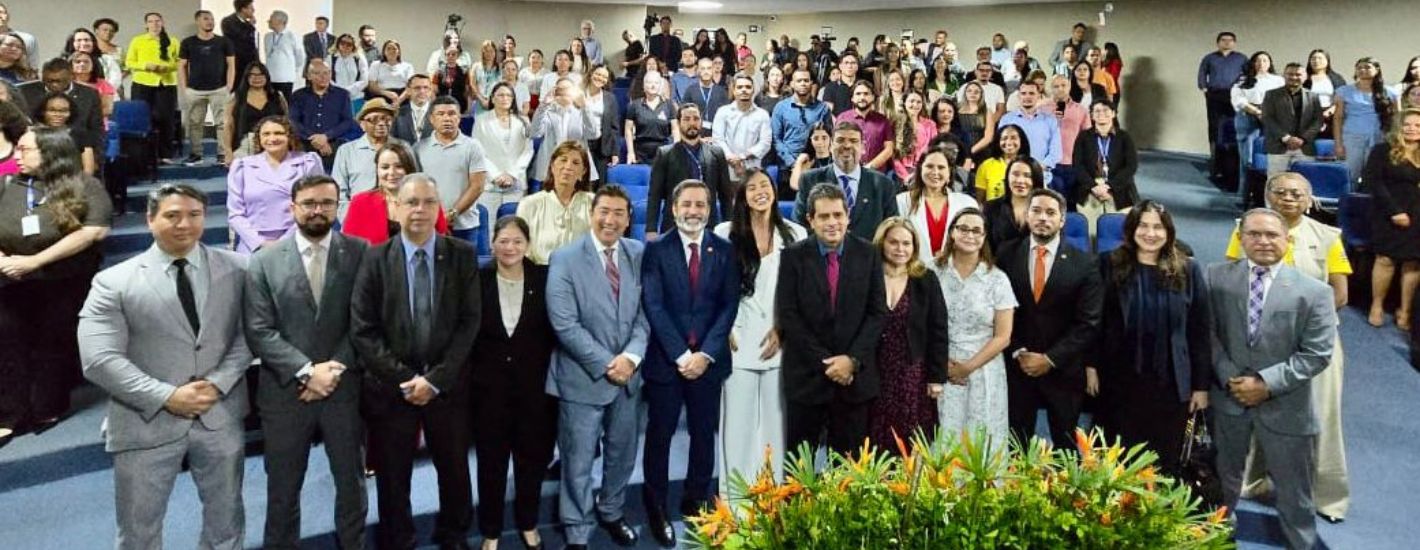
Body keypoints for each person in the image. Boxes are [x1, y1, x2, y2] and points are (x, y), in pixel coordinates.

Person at [78, 183, 252, 550]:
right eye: (172, 216)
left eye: (194, 215)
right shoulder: (113, 282)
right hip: (145, 421)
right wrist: (168, 396)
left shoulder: (239, 268)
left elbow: (248, 335)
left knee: (227, 524)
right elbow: (99, 359)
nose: (184, 224)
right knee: (139, 532)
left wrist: (218, 384)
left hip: (218, 415)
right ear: (150, 218)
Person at [353, 174, 482, 550]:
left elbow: (469, 322)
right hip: (393, 391)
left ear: (439, 206)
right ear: (396, 207)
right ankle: (399, 539)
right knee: (394, 478)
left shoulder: (461, 255)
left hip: (448, 387)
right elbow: (364, 330)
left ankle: (453, 534)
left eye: (428, 201)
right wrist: (408, 380)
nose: (420, 210)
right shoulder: (374, 258)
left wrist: (437, 379)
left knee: (454, 470)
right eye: (411, 202)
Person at [243, 175, 368, 550]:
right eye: (309, 203)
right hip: (285, 394)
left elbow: (366, 321)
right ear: (292, 207)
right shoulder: (264, 260)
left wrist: (332, 371)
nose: (318, 210)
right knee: (282, 490)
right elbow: (259, 330)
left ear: (337, 206)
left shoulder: (361, 251)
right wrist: (306, 372)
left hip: (344, 390)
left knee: (351, 484)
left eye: (326, 203)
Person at [1223, 172, 1352, 522]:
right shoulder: (1246, 228)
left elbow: (1339, 293)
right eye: (1279, 192)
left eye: (1297, 193)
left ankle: (1326, 498)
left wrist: (1304, 324)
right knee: (1255, 409)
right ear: (1268, 196)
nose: (1288, 198)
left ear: (1308, 200)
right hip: (1258, 338)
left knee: (1320, 418)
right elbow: (1232, 281)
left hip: (1313, 344)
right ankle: (1251, 482)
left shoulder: (1328, 237)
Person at [1208, 208, 1336, 550]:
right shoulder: (1215, 277)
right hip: (1227, 399)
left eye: (1271, 235)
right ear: (1241, 238)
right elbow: (1206, 335)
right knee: (1221, 485)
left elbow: (1318, 353)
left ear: (1287, 239)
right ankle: (1214, 539)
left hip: (1287, 405)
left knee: (1296, 495)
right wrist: (1231, 378)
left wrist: (1265, 384)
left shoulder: (1314, 292)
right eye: (1254, 234)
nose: (1263, 241)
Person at [544, 185, 648, 550]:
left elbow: (644, 315)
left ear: (628, 218)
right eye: (605, 211)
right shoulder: (565, 258)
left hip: (629, 378)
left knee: (622, 454)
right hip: (582, 378)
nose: (611, 219)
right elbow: (564, 324)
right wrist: (608, 364)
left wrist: (631, 358)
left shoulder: (638, 253)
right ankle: (576, 530)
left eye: (619, 212)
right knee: (577, 460)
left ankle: (612, 511)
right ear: (593, 212)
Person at [640, 179, 740, 545]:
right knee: (660, 436)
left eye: (701, 204)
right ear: (674, 206)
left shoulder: (725, 250)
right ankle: (656, 505)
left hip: (708, 362)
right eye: (687, 204)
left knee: (703, 436)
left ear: (710, 209)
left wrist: (705, 354)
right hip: (667, 362)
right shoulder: (655, 250)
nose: (694, 211)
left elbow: (729, 305)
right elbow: (653, 305)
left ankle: (696, 501)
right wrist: (682, 355)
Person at [0, 125, 111, 447]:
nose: (16, 156)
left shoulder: (85, 186)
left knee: (52, 342)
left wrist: (35, 261)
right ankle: (9, 412)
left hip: (63, 279)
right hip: (9, 279)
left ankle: (45, 406)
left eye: (25, 149)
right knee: (8, 342)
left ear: (49, 152)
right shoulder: (8, 183)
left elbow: (93, 231)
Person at [1092, 201, 1211, 475]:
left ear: (1168, 232)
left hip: (1170, 384)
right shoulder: (1108, 264)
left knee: (1163, 462)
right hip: (1120, 380)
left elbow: (1200, 330)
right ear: (1132, 229)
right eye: (1143, 225)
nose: (1150, 233)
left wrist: (1201, 387)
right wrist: (1091, 366)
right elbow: (1096, 322)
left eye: (1158, 227)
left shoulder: (1188, 270)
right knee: (1114, 459)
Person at [778, 183, 886, 459]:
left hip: (854, 381)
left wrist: (851, 361)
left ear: (848, 216)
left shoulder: (869, 253)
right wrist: (827, 363)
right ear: (810, 220)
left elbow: (877, 314)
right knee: (798, 470)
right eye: (824, 216)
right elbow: (789, 315)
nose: (832, 223)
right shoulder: (793, 256)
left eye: (838, 215)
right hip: (808, 379)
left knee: (849, 472)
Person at [713, 168, 805, 490]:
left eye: (764, 185)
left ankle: (773, 496)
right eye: (751, 188)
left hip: (779, 341)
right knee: (737, 426)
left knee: (776, 426)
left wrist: (783, 329)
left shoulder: (796, 234)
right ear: (743, 196)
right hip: (736, 339)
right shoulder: (724, 233)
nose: (759, 192)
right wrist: (722, 329)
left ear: (774, 191)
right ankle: (735, 502)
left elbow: (800, 294)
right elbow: (713, 290)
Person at [471, 216, 558, 550]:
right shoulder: (476, 279)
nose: (510, 248)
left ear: (528, 245)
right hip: (487, 392)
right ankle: (491, 531)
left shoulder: (543, 277)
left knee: (531, 462)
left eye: (517, 241)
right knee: (491, 464)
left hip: (534, 392)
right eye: (503, 241)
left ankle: (528, 523)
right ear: (492, 243)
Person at [996, 188, 1103, 448]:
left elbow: (1088, 323)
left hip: (1064, 370)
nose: (1043, 217)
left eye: (1050, 212)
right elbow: (996, 310)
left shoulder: (1085, 263)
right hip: (1017, 367)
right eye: (1037, 211)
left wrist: (1050, 359)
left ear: (1062, 220)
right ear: (1027, 215)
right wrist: (1019, 351)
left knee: (1065, 450)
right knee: (1014, 447)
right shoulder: (1005, 254)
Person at [934, 206, 1015, 445]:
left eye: (976, 231)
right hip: (940, 366)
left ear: (984, 237)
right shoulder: (931, 271)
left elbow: (1003, 336)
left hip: (983, 370)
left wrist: (967, 367)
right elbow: (920, 324)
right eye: (963, 229)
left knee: (981, 440)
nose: (970, 235)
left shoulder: (997, 278)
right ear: (952, 233)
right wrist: (941, 364)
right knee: (943, 438)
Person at [867, 217, 949, 449]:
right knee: (874, 436)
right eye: (893, 242)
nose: (900, 249)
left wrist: (936, 377)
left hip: (912, 371)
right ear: (882, 243)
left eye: (906, 243)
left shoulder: (925, 278)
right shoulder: (866, 276)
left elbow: (938, 329)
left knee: (910, 438)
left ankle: (909, 485)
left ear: (914, 247)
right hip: (874, 369)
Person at [228, 116, 325, 254]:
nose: (272, 138)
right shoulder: (242, 166)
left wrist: (284, 242)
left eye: (278, 133)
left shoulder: (308, 163)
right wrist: (259, 243)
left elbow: (314, 207)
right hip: (252, 246)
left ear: (289, 136)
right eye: (266, 134)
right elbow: (235, 214)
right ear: (259, 138)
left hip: (299, 240)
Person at [795, 120, 900, 239]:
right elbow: (800, 227)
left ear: (863, 147)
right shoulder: (809, 180)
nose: (847, 145)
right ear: (830, 146)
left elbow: (892, 230)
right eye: (840, 140)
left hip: (869, 255)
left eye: (853, 141)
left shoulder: (883, 184)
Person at [1364, 108, 1420, 329]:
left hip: (1418, 215)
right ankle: (1376, 305)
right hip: (1388, 211)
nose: (1412, 129)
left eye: (1417, 125)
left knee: (1413, 263)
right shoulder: (1382, 150)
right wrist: (1394, 211)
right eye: (1407, 124)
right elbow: (1373, 183)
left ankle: (1404, 311)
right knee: (1385, 259)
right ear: (1399, 126)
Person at [648, 104, 731, 238]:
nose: (692, 123)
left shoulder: (717, 153)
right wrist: (651, 229)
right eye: (686, 119)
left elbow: (725, 196)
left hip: (708, 224)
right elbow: (655, 195)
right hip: (673, 224)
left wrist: (729, 225)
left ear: (701, 122)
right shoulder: (665, 154)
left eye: (696, 119)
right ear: (679, 122)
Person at [343, 142, 451, 245]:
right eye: (385, 167)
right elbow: (349, 248)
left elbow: (441, 243)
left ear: (409, 169)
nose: (391, 173)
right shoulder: (360, 203)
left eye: (399, 166)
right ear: (377, 170)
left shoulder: (428, 200)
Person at [414, 95, 488, 243]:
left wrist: (453, 213)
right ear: (431, 119)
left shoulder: (473, 147)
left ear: (459, 118)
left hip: (465, 226)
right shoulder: (418, 148)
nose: (447, 118)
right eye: (440, 114)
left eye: (452, 114)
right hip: (429, 224)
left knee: (464, 266)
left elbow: (477, 186)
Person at [896, 147, 980, 262]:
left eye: (941, 167)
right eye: (929, 166)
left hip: (954, 271)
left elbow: (975, 242)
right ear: (920, 170)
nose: (935, 172)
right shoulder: (902, 201)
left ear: (949, 172)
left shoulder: (967, 203)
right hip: (914, 272)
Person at [518, 141, 595, 264]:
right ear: (552, 166)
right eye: (563, 160)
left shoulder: (594, 204)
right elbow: (520, 250)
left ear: (583, 171)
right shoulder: (529, 204)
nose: (568, 167)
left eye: (575, 163)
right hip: (540, 274)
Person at [17, 60, 103, 168]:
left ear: (71, 76)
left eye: (59, 81)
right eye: (49, 81)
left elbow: (96, 130)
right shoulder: (24, 92)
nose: (54, 85)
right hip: (35, 151)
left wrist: (96, 159)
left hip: (77, 151)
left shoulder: (89, 95)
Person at [175, 10, 235, 166]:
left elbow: (231, 65)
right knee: (194, 123)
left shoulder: (224, 42)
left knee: (223, 123)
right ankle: (196, 154)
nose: (210, 22)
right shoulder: (188, 42)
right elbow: (181, 66)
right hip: (195, 90)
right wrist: (184, 87)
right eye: (206, 19)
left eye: (212, 19)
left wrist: (229, 85)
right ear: (198, 22)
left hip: (219, 89)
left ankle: (222, 153)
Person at [1073, 99, 1139, 233]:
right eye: (1097, 111)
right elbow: (1077, 165)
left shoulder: (1124, 137)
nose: (1101, 114)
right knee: (1090, 232)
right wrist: (1093, 186)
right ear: (1091, 115)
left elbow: (1131, 166)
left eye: (1105, 110)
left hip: (1118, 188)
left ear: (1113, 113)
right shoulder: (1083, 137)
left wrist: (1109, 186)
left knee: (1119, 233)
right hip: (1090, 188)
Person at [1334, 57, 1399, 185]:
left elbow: (1397, 118)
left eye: (1367, 67)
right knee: (1350, 174)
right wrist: (1338, 144)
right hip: (1352, 137)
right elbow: (1338, 118)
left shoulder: (1390, 92)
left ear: (1377, 69)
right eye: (1359, 68)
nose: (1363, 70)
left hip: (1380, 137)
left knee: (1375, 175)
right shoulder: (1344, 91)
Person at [126, 12, 181, 163]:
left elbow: (180, 62)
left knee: (166, 119)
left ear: (162, 23)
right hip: (143, 83)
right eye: (151, 21)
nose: (155, 24)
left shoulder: (173, 41)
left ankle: (165, 154)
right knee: (143, 117)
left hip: (166, 84)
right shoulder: (138, 41)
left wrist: (167, 67)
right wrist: (145, 65)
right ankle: (144, 154)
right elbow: (129, 62)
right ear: (146, 25)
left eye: (157, 21)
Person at [474, 82, 534, 216]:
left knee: (513, 225)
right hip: (490, 183)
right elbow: (478, 150)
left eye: (508, 95)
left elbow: (528, 151)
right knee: (489, 228)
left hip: (516, 182)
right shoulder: (481, 120)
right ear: (492, 98)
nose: (505, 98)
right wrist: (496, 175)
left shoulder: (523, 120)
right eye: (500, 95)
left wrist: (512, 174)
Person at [332, 98, 402, 209]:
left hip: (396, 218)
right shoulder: (346, 151)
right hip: (358, 218)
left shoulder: (403, 148)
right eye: (374, 119)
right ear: (362, 125)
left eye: (386, 119)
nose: (381, 123)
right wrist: (350, 220)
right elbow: (338, 192)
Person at [771, 69, 832, 190]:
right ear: (792, 84)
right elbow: (776, 139)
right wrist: (793, 163)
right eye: (799, 81)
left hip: (815, 167)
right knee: (787, 207)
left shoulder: (822, 108)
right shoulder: (781, 107)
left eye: (806, 80)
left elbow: (828, 138)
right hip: (787, 168)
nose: (803, 83)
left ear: (811, 83)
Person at [1197, 32, 1247, 181]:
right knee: (1214, 127)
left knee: (1232, 128)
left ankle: (1231, 164)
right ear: (1218, 42)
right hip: (1215, 95)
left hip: (1234, 95)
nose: (1227, 43)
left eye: (1230, 40)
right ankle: (1215, 164)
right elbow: (1201, 74)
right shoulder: (1210, 58)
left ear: (1234, 43)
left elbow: (1248, 75)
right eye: (1223, 40)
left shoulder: (1241, 58)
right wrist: (1204, 88)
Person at [1231, 51, 1283, 193]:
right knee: (1248, 157)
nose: (1261, 64)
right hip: (1249, 116)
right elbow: (1238, 100)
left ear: (1270, 63)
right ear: (1252, 63)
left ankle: (1267, 192)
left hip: (1272, 118)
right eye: (1258, 61)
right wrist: (1257, 112)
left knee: (1270, 155)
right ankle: (1245, 192)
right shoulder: (1243, 80)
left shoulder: (1278, 80)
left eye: (1265, 61)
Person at [289, 59, 354, 170]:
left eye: (326, 72)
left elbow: (347, 121)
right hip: (305, 145)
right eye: (317, 73)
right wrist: (316, 139)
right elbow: (293, 121)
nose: (323, 76)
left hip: (334, 145)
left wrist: (326, 137)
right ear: (309, 76)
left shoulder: (342, 95)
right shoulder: (298, 95)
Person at [1261, 63, 1324, 177]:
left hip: (1305, 147)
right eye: (1290, 74)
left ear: (1305, 77)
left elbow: (1318, 120)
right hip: (1278, 146)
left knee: (1306, 182)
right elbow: (1267, 118)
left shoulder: (1313, 96)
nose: (1294, 77)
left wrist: (1303, 139)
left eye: (1298, 74)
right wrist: (1286, 138)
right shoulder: (1271, 95)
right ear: (1284, 76)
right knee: (1275, 182)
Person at [531, 78, 598, 183]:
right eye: (560, 90)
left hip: (576, 165)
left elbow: (594, 134)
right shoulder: (547, 112)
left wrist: (584, 106)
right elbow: (535, 133)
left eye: (567, 89)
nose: (564, 92)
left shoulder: (582, 112)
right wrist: (543, 105)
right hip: (551, 165)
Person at [997, 81, 1062, 187]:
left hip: (1042, 178)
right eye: (1024, 93)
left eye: (1031, 93)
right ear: (1018, 96)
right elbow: (1000, 147)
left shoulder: (1050, 121)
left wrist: (1036, 167)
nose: (1027, 97)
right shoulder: (1006, 119)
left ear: (1039, 96)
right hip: (1012, 177)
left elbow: (1056, 152)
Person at [223, 60, 287, 161]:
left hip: (274, 143)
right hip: (245, 145)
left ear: (266, 77)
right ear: (247, 77)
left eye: (261, 75)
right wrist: (228, 152)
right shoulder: (236, 97)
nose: (257, 78)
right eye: (253, 75)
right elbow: (228, 126)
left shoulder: (277, 97)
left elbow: (286, 123)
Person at [984, 157, 1044, 252]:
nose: (1020, 180)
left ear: (1036, 179)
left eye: (1027, 176)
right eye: (1015, 174)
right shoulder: (991, 207)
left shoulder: (1045, 211)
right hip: (997, 264)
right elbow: (985, 246)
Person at [1045, 75, 1091, 195]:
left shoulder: (1081, 110)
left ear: (1069, 87)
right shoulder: (1041, 109)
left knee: (1071, 203)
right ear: (1051, 89)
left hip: (1073, 162)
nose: (1060, 89)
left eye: (1063, 85)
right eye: (1056, 86)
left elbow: (1088, 138)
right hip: (1050, 163)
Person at [834, 80, 895, 171]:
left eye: (866, 94)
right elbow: (837, 146)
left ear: (873, 97)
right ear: (852, 98)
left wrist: (870, 167)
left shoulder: (882, 120)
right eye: (858, 94)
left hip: (876, 174)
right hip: (848, 171)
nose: (862, 97)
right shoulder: (843, 118)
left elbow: (889, 149)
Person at [32, 93, 97, 175]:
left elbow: (88, 170)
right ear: (43, 112)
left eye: (63, 111)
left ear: (70, 112)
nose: (58, 114)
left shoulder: (81, 135)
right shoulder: (32, 135)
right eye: (52, 110)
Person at [623, 74, 677, 165]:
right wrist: (630, 152)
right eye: (649, 82)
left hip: (663, 150)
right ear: (644, 86)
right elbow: (628, 129)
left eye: (656, 83)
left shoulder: (669, 105)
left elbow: (675, 129)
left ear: (660, 86)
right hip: (640, 151)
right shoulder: (635, 105)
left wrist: (676, 150)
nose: (653, 85)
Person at [584, 65, 621, 187]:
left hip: (602, 145)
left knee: (599, 184)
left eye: (604, 77)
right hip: (582, 142)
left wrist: (615, 152)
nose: (600, 78)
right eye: (598, 74)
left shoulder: (610, 98)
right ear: (591, 74)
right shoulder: (580, 93)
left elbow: (614, 127)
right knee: (583, 182)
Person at [975, 124, 1031, 202]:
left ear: (1021, 141)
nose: (1008, 142)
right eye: (1004, 138)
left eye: (1013, 138)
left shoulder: (1030, 165)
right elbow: (979, 201)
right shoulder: (986, 166)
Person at [262, 10, 304, 102]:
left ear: (280, 22)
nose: (268, 21)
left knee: (285, 104)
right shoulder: (267, 36)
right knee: (271, 102)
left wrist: (293, 69)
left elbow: (300, 56)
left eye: (271, 19)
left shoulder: (292, 36)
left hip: (286, 78)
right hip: (270, 77)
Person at [680, 58, 729, 134]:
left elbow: (727, 115)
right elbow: (683, 113)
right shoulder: (690, 90)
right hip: (695, 133)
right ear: (698, 71)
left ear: (713, 70)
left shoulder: (721, 91)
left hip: (717, 134)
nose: (706, 72)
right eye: (703, 68)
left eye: (709, 68)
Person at [957, 80, 999, 164]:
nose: (973, 93)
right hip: (960, 151)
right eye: (969, 91)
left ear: (981, 94)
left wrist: (970, 152)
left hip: (982, 152)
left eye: (976, 92)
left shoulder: (987, 111)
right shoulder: (957, 110)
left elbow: (988, 138)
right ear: (965, 93)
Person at [221, 1, 259, 90]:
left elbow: (252, 45)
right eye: (251, 7)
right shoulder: (228, 21)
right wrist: (251, 25)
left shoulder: (246, 23)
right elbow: (240, 36)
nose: (253, 10)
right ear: (243, 9)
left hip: (249, 65)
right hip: (236, 65)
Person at [392, 73, 434, 144]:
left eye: (426, 87)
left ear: (430, 91)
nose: (422, 91)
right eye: (417, 88)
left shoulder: (439, 113)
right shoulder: (397, 114)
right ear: (408, 91)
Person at [92, 18, 127, 94]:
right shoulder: (89, 48)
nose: (108, 33)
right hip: (94, 86)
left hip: (115, 88)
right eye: (105, 30)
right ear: (96, 31)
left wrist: (116, 80)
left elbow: (126, 68)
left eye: (112, 31)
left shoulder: (119, 50)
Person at [433, 45, 473, 112]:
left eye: (453, 54)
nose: (450, 56)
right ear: (445, 56)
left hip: (459, 105)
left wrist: (468, 109)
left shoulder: (464, 72)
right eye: (448, 54)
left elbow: (467, 92)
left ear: (457, 56)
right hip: (442, 105)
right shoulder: (438, 72)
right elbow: (434, 91)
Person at [330, 34, 370, 99]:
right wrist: (339, 91)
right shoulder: (331, 58)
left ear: (353, 46)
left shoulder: (359, 58)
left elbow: (364, 80)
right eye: (342, 43)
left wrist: (348, 91)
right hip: (335, 96)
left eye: (349, 44)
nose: (345, 46)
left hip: (356, 97)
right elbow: (328, 79)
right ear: (338, 43)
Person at [469, 40, 501, 110]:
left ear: (495, 52)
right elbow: (473, 84)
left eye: (491, 51)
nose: (489, 53)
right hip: (479, 101)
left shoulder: (500, 68)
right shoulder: (476, 66)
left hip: (495, 103)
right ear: (483, 52)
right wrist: (482, 100)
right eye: (486, 51)